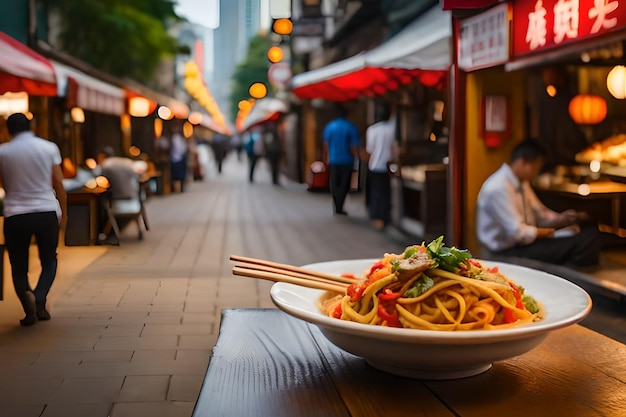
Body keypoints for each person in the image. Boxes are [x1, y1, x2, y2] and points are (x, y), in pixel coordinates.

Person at [477, 138, 601, 268]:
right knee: (586, 241)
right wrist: (551, 233)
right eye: (535, 167)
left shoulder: (521, 182)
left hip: (524, 244)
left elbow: (540, 213)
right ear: (522, 162)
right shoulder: (499, 187)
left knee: (587, 234)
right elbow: (518, 233)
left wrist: (561, 220)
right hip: (505, 253)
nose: (536, 172)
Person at [0, 113, 67, 326]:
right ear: (31, 126)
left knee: (18, 266)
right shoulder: (48, 148)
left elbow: (2, 183)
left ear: (8, 129)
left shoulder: (3, 152)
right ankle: (39, 297)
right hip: (46, 210)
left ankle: (29, 306)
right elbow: (58, 183)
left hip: (15, 213)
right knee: (49, 260)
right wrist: (63, 213)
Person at [364, 103, 398, 230]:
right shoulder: (391, 129)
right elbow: (394, 148)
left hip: (374, 164)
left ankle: (376, 217)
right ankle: (383, 217)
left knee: (376, 192)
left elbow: (369, 149)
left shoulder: (372, 130)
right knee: (385, 193)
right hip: (387, 165)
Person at [323, 103, 360, 215]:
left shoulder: (330, 126)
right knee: (344, 184)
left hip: (334, 159)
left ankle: (336, 205)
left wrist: (326, 157)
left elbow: (325, 143)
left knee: (334, 183)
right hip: (347, 160)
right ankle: (340, 205)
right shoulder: (351, 127)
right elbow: (354, 146)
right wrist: (357, 157)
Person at [262, 121, 283, 185]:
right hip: (272, 152)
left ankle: (275, 179)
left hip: (275, 151)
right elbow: (269, 144)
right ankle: (274, 180)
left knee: (275, 166)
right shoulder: (269, 134)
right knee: (274, 166)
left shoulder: (272, 133)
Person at [169, 122, 188, 192]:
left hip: (176, 158)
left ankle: (177, 188)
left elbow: (181, 148)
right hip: (178, 158)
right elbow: (183, 148)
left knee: (176, 175)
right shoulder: (178, 138)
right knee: (178, 175)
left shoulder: (175, 138)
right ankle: (179, 188)